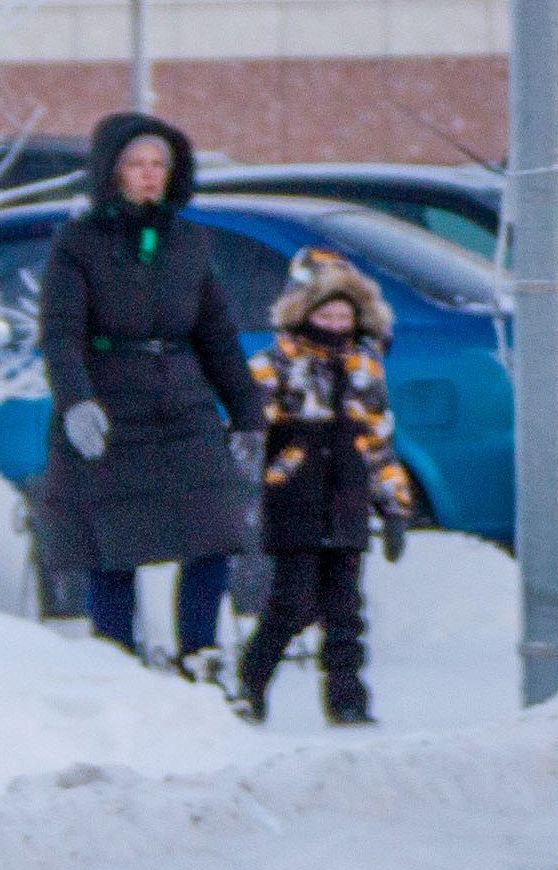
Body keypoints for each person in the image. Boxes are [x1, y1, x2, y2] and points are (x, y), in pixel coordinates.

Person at [36, 111, 260, 676]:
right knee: (113, 544)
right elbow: (60, 333)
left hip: (184, 406)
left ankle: (200, 654)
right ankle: (116, 663)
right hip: (112, 407)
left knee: (213, 532)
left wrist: (247, 413)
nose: (149, 174)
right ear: (111, 171)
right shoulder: (78, 243)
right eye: (136, 163)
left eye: (159, 163)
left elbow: (217, 335)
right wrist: (76, 401)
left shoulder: (189, 242)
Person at [232, 247, 416, 729]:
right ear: (303, 313)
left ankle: (347, 699)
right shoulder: (275, 364)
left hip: (347, 500)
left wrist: (394, 507)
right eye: (325, 314)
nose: (335, 325)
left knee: (345, 609)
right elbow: (250, 432)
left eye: (343, 316)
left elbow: (378, 440)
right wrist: (253, 484)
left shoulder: (365, 367)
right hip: (295, 498)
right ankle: (251, 684)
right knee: (290, 602)